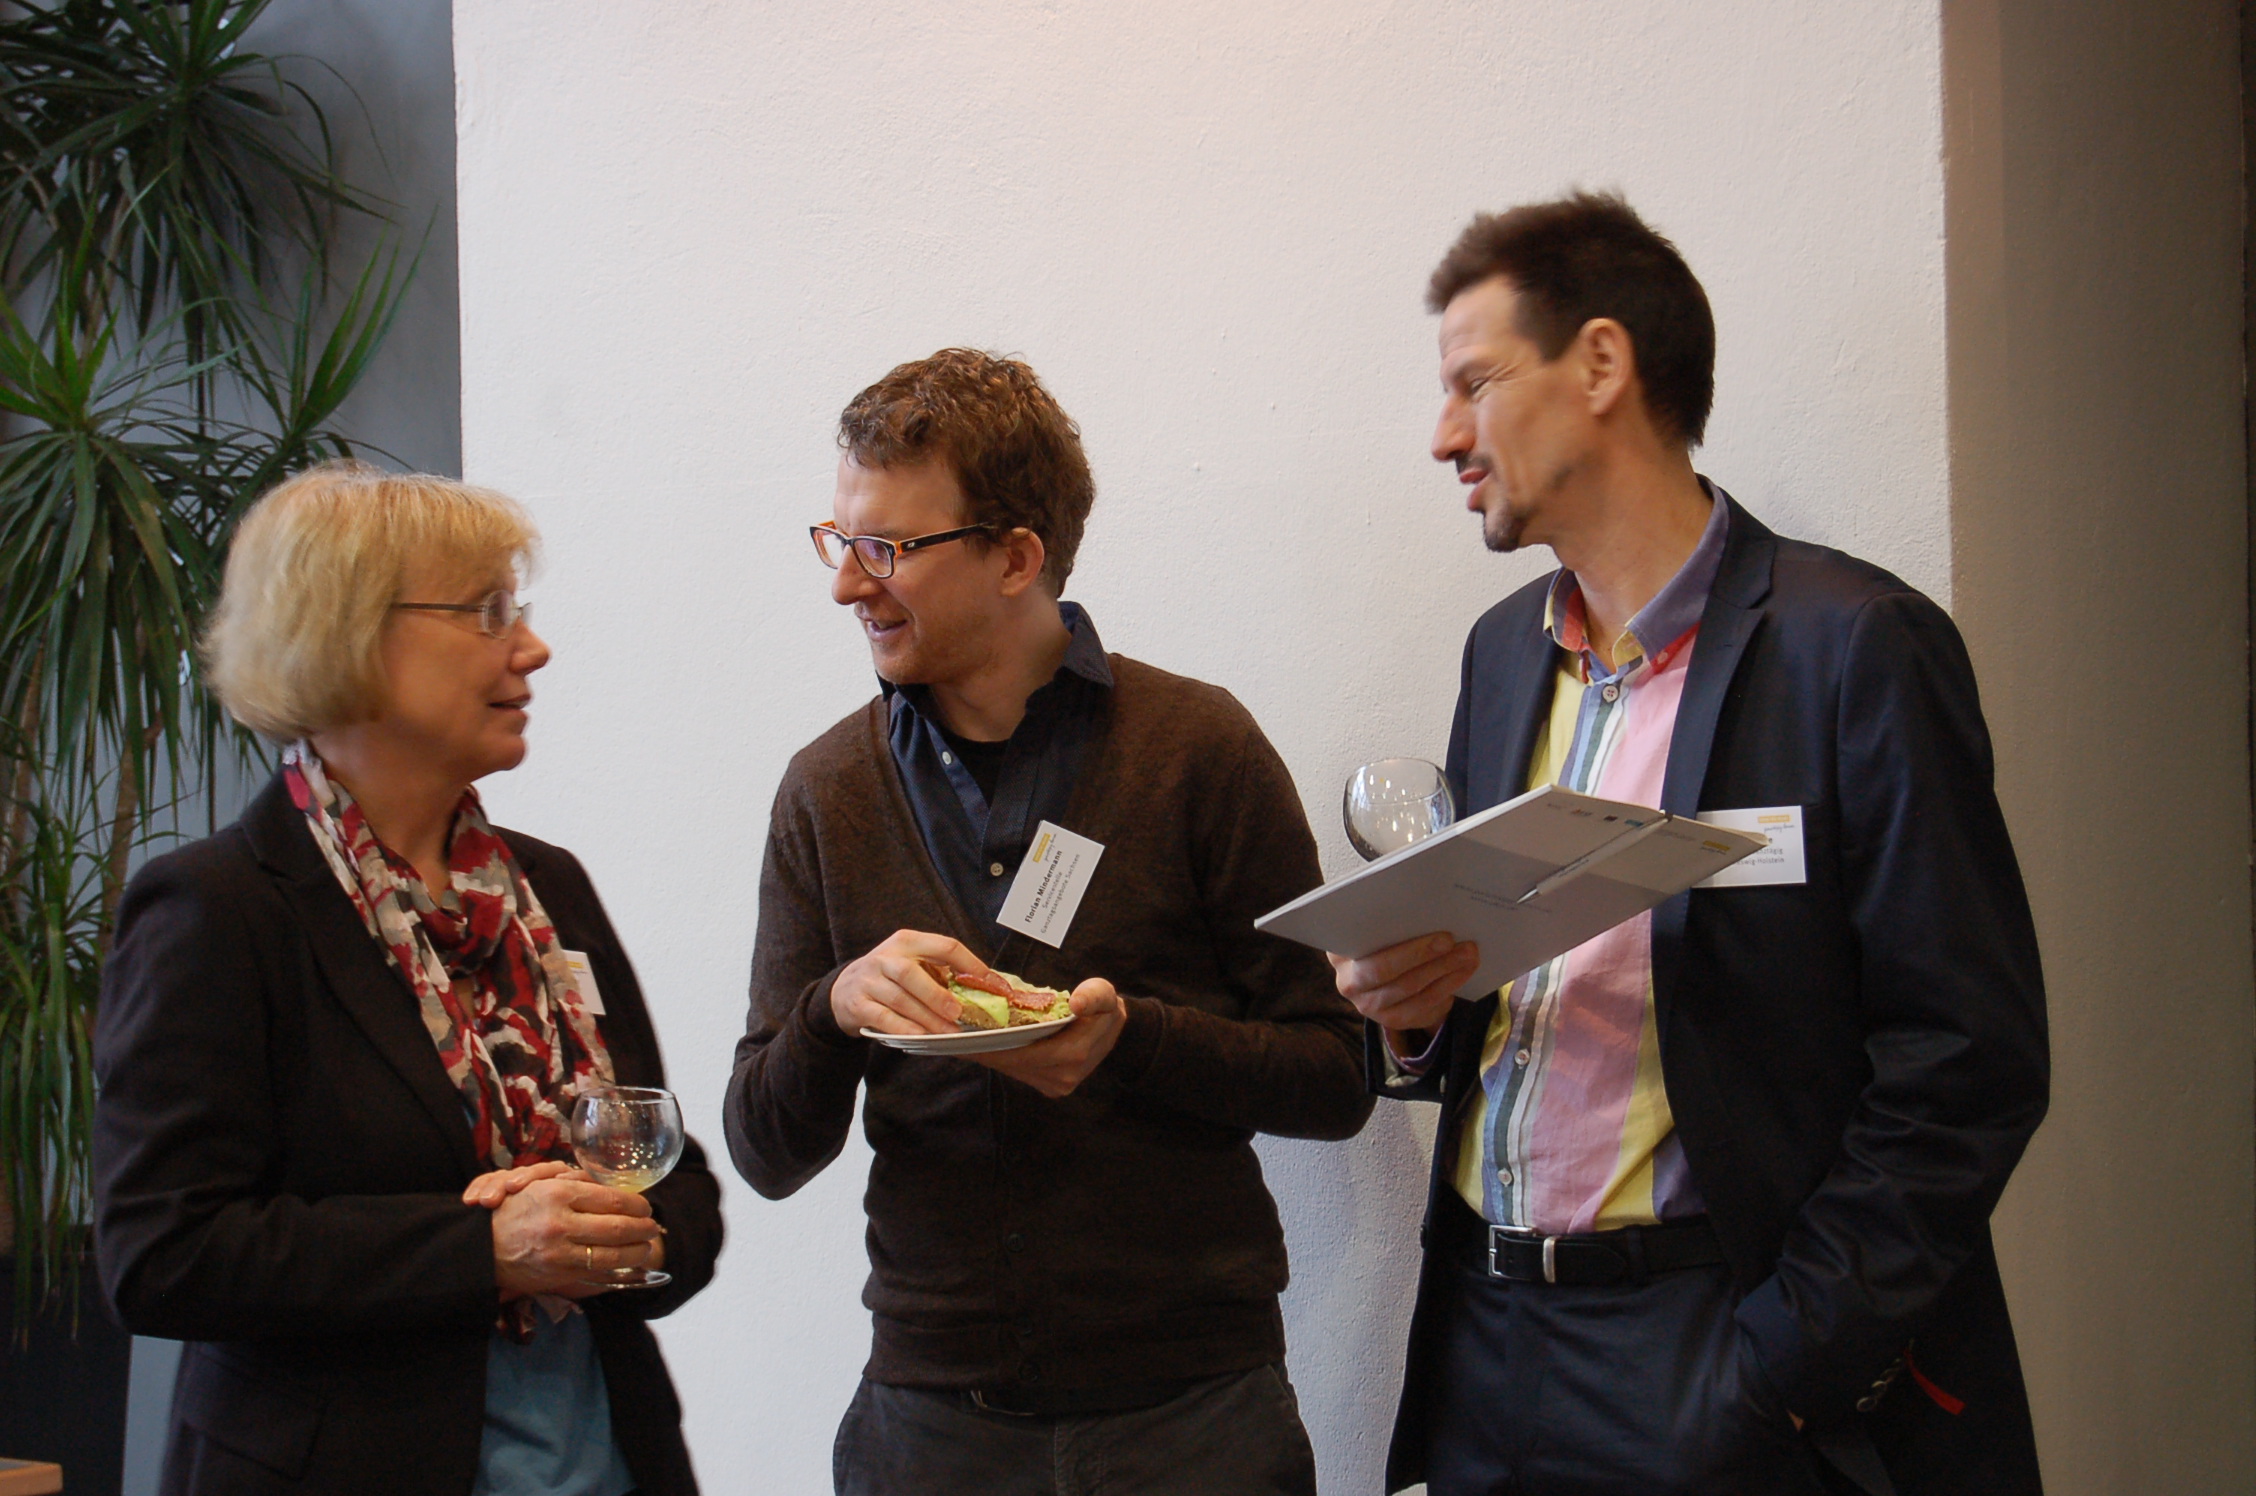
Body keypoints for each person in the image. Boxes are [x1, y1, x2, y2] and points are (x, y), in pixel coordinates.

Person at [1331, 195, 2049, 1496]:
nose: (1445, 436)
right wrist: (1415, 1013)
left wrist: (1784, 1359)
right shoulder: (1503, 655)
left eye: (1474, 383)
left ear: (1602, 363)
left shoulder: (1853, 650)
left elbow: (1968, 1062)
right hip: (1489, 1341)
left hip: (1711, 1346)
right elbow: (1501, 998)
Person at [725, 348, 1371, 1495]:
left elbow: (1334, 1074)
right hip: (932, 1427)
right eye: (839, 541)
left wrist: (1134, 1039)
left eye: (887, 549)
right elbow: (763, 1149)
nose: (847, 585)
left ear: (1017, 556)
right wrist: (834, 1010)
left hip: (1195, 1418)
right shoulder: (827, 791)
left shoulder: (1198, 749)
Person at [93, 463, 723, 1496]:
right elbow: (162, 1252)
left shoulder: (549, 887)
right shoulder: (218, 908)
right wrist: (486, 1248)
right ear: (348, 635)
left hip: (606, 1463)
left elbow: (673, 1178)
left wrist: (624, 1229)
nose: (532, 648)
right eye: (487, 612)